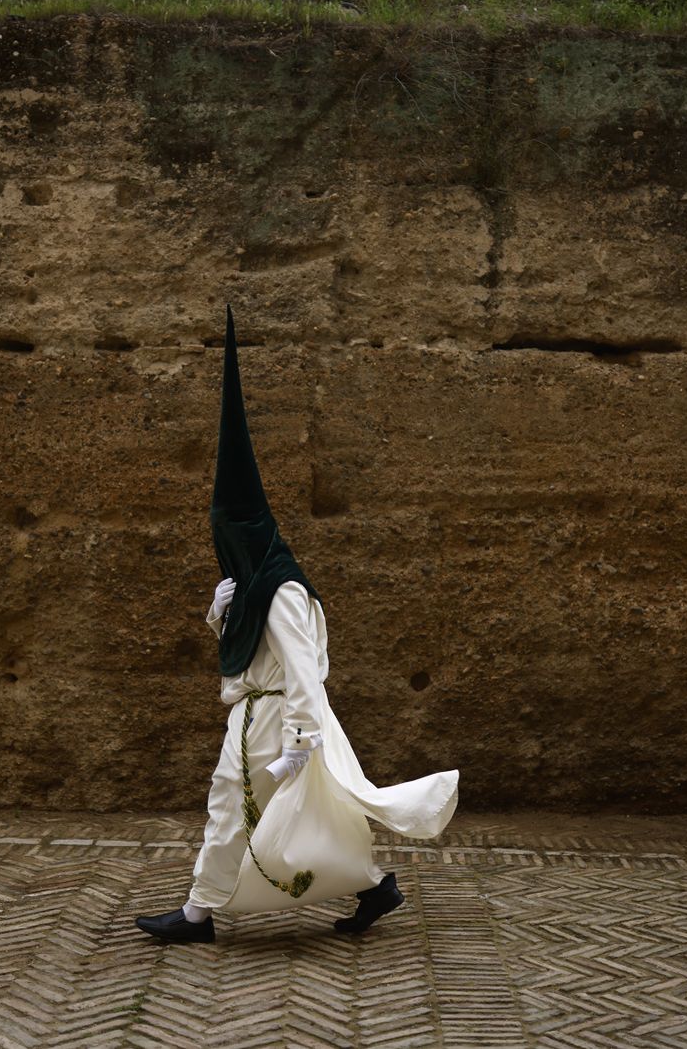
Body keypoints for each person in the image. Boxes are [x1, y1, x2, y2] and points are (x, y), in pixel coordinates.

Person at [135, 305, 460, 944]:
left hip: (278, 724)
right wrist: (220, 613)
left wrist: (298, 743)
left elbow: (304, 669)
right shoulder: (253, 591)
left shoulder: (281, 590)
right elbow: (249, 656)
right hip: (256, 715)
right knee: (297, 813)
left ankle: (201, 914)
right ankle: (370, 887)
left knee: (245, 810)